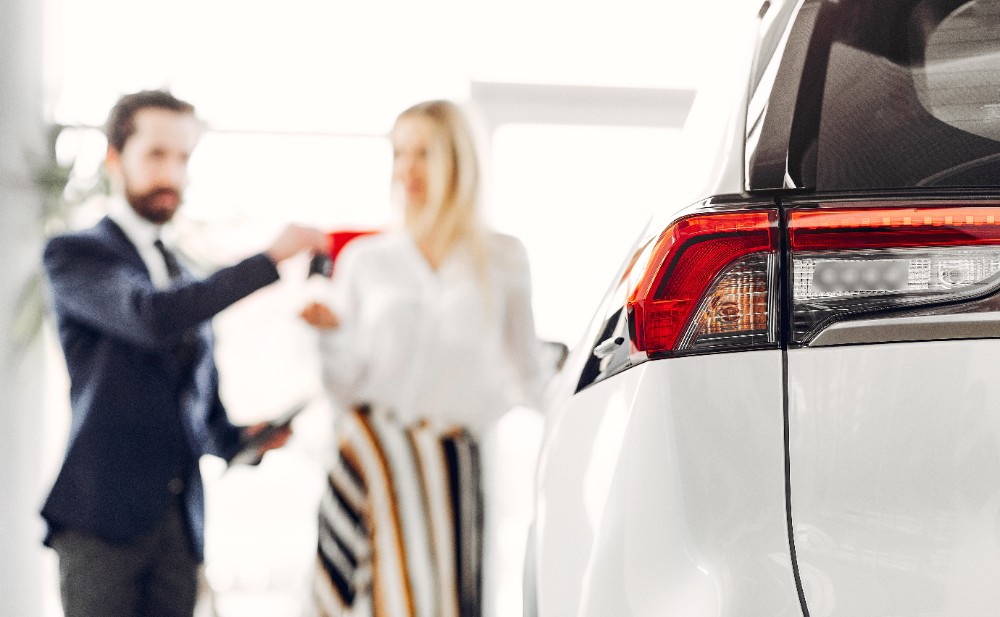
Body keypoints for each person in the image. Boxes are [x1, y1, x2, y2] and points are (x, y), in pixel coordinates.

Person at [40, 89, 329, 617]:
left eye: (183, 158)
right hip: (101, 524)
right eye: (156, 154)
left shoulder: (184, 276)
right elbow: (149, 317)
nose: (171, 173)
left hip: (178, 531)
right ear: (114, 158)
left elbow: (201, 415)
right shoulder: (75, 255)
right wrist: (269, 260)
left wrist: (246, 437)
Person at [301, 99, 549, 617]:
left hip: (457, 466)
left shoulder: (503, 256)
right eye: (399, 154)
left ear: (458, 161)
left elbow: (528, 371)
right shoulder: (367, 260)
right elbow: (344, 388)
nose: (406, 170)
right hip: (377, 460)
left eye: (423, 154)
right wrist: (325, 337)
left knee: (453, 601)